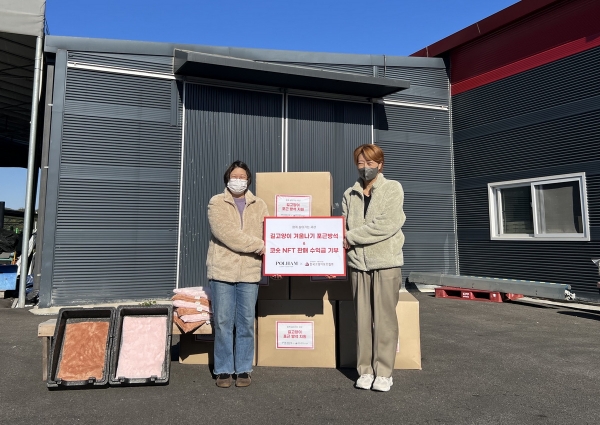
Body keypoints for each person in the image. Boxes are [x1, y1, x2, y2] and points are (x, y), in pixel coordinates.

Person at [342, 144, 406, 392]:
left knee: (384, 320)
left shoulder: (392, 188)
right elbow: (342, 229)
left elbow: (386, 224)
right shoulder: (349, 193)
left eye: (371, 162)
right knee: (361, 320)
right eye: (361, 162)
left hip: (385, 262)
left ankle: (384, 372)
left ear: (380, 164)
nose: (366, 167)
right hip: (358, 264)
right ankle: (365, 370)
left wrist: (351, 237)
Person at [206, 160, 268, 388]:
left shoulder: (259, 204)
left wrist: (275, 260)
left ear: (249, 180)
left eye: (243, 176)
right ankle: (223, 369)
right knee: (223, 322)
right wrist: (260, 246)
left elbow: (269, 234)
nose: (239, 180)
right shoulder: (216, 202)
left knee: (245, 323)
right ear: (227, 178)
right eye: (235, 176)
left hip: (250, 272)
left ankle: (243, 368)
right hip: (222, 270)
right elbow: (226, 234)